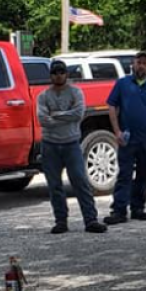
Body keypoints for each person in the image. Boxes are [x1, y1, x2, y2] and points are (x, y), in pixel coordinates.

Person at [38, 60, 107, 234]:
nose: (58, 75)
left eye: (61, 72)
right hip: (50, 145)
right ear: (51, 75)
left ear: (67, 74)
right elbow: (43, 119)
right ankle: (61, 221)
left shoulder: (76, 92)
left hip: (71, 144)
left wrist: (56, 115)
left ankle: (91, 220)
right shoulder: (43, 96)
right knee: (54, 186)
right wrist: (65, 115)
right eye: (55, 72)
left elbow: (78, 114)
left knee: (80, 182)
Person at [104, 51, 146, 225]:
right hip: (128, 137)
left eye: (144, 63)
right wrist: (116, 131)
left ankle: (138, 208)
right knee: (125, 174)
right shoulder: (123, 84)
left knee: (144, 174)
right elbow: (111, 106)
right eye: (138, 62)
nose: (141, 65)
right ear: (133, 64)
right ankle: (119, 210)